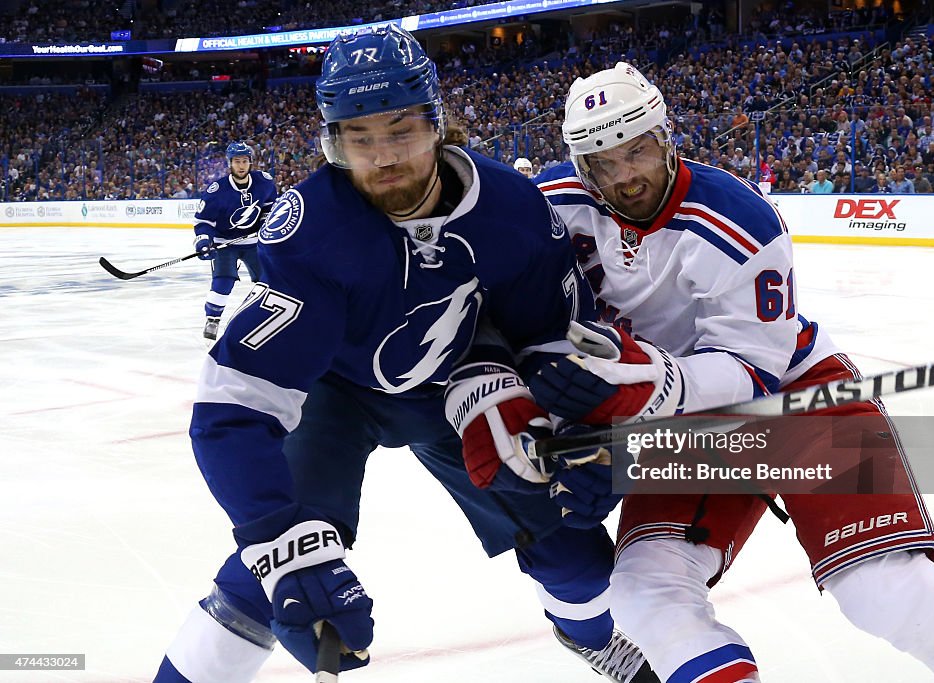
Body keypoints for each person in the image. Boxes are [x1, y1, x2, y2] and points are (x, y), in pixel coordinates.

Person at [155, 30, 656, 683]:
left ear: (438, 124)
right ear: (333, 142)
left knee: (574, 548)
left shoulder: (511, 212)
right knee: (273, 571)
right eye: (358, 138)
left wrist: (580, 434)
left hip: (460, 387)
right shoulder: (312, 230)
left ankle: (590, 636)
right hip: (338, 396)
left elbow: (551, 346)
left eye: (402, 132)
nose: (384, 158)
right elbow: (230, 409)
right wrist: (281, 542)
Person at [532, 62, 934, 683]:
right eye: (604, 163)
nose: (625, 175)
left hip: (796, 400)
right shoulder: (551, 208)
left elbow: (755, 375)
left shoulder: (741, 221)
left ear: (666, 136)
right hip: (684, 424)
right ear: (582, 167)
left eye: (638, 151)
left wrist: (651, 384)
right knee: (646, 594)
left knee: (884, 592)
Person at [192, 142, 278, 340]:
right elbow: (203, 221)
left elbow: (269, 207)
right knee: (223, 281)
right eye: (237, 161)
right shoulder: (217, 191)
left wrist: (264, 224)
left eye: (245, 161)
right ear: (229, 163)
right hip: (224, 243)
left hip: (253, 242)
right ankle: (213, 320)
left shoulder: (263, 182)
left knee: (268, 280)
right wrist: (204, 241)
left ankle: (265, 317)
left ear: (250, 163)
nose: (241, 166)